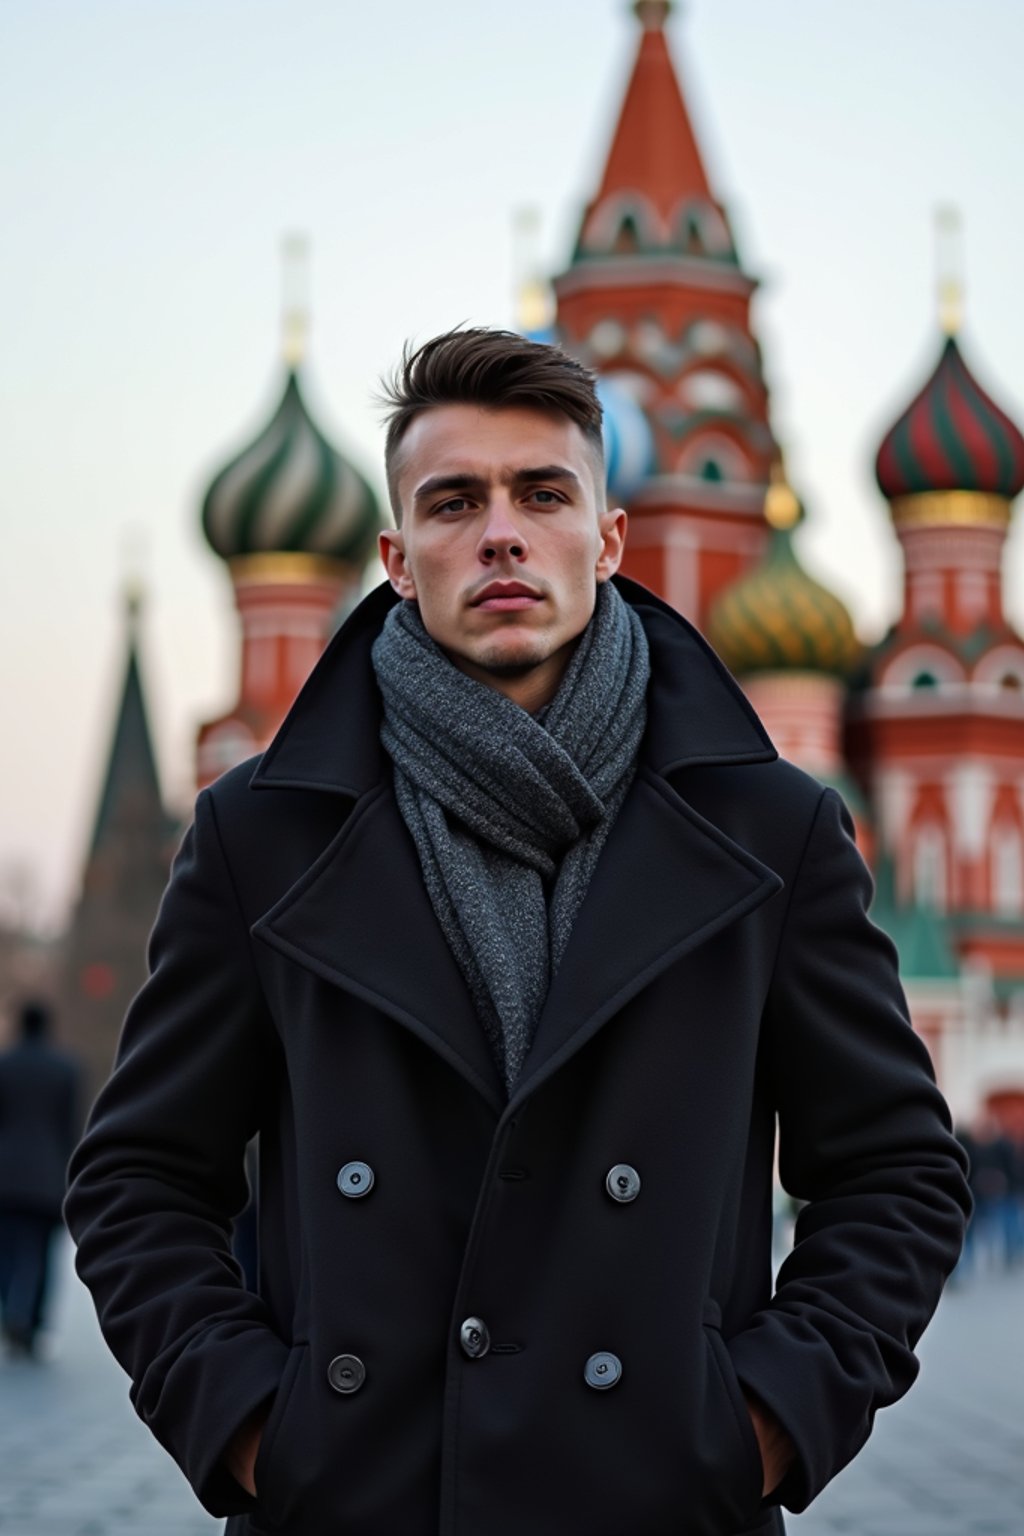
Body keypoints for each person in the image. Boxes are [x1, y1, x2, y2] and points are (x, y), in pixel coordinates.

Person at [65, 328, 970, 1536]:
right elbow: (139, 1175)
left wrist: (757, 1425)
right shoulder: (264, 835)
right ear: (395, 557)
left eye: (542, 493)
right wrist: (249, 1427)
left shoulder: (768, 829)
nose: (500, 530)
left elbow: (895, 1171)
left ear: (606, 540)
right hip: (359, 1502)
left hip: (657, 1501)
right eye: (454, 501)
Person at [0, 998, 80, 1357]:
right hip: (48, 1176)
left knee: (7, 1251)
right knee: (40, 1254)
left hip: (5, 1175)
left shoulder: (5, 1065)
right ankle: (29, 1320)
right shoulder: (65, 1068)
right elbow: (71, 1127)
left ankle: (11, 1311)